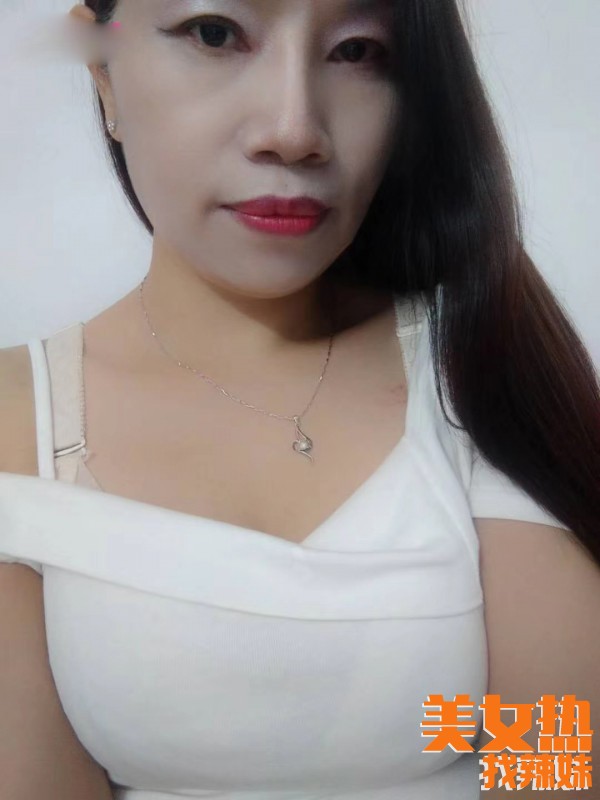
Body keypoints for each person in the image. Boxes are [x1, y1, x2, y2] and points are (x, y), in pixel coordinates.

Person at [1, 1, 599, 798]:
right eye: (215, 33)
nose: (293, 130)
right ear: (103, 71)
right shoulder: (21, 417)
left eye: (357, 51)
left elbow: (553, 758)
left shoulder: (476, 356)